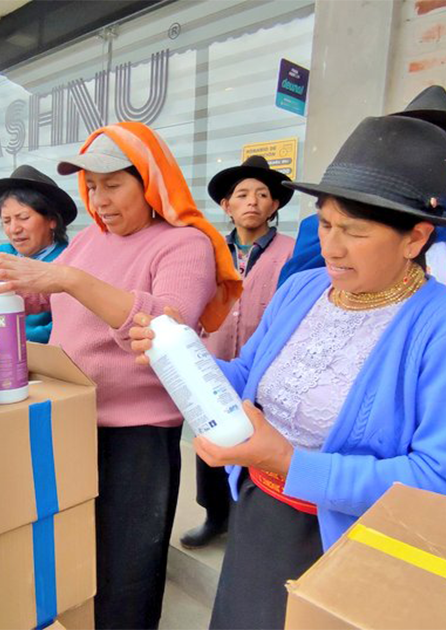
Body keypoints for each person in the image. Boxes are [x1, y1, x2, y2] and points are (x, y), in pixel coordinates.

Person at [130, 116, 446, 630]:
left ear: (415, 239)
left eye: (355, 231)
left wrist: (289, 462)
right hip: (259, 513)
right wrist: (180, 356)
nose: (331, 247)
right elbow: (244, 379)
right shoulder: (302, 290)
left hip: (349, 545)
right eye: (325, 224)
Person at [0, 122, 240, 629]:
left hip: (136, 435)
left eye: (113, 184)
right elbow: (45, 294)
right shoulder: (89, 241)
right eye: (92, 186)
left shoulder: (182, 245)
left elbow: (165, 327)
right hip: (69, 420)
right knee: (77, 556)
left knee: (127, 570)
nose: (100, 200)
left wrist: (68, 278)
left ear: (150, 182)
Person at [277, 85, 446, 313]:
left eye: (438, 149)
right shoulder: (321, 226)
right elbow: (293, 305)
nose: (331, 248)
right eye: (408, 145)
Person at [181, 155, 296, 550]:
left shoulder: (290, 252)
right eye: (242, 194)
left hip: (264, 365)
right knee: (212, 437)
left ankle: (249, 520)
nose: (252, 201)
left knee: (256, 442)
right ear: (226, 205)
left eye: (262, 195)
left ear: (274, 205)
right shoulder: (209, 250)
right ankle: (214, 516)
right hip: (213, 360)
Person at [0, 165, 77, 342]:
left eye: (24, 218)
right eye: (6, 221)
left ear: (52, 220)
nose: (14, 229)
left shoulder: (70, 262)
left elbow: (67, 326)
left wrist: (9, 335)